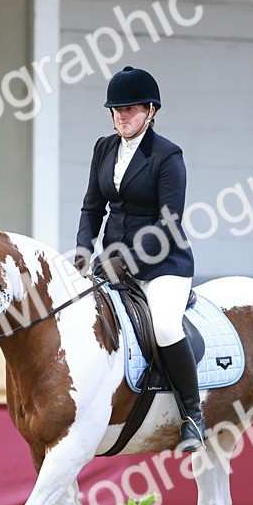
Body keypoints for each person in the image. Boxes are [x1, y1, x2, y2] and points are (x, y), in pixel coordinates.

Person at [74, 66, 202, 453]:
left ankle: (192, 415)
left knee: (164, 326)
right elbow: (91, 208)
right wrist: (83, 250)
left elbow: (168, 223)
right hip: (110, 261)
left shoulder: (168, 156)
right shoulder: (104, 148)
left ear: (151, 111)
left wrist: (127, 261)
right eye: (116, 110)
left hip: (163, 263)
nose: (121, 117)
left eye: (130, 109)